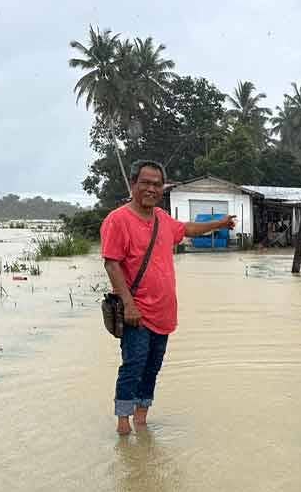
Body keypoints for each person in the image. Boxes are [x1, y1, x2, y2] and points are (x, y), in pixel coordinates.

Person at [101, 159, 236, 435]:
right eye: (146, 183)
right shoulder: (118, 220)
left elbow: (187, 229)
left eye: (157, 184)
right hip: (135, 313)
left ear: (163, 188)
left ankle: (142, 420)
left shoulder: (163, 219)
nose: (151, 189)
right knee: (133, 366)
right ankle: (123, 425)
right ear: (133, 184)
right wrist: (129, 304)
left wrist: (220, 222)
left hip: (164, 313)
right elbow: (111, 264)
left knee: (152, 368)